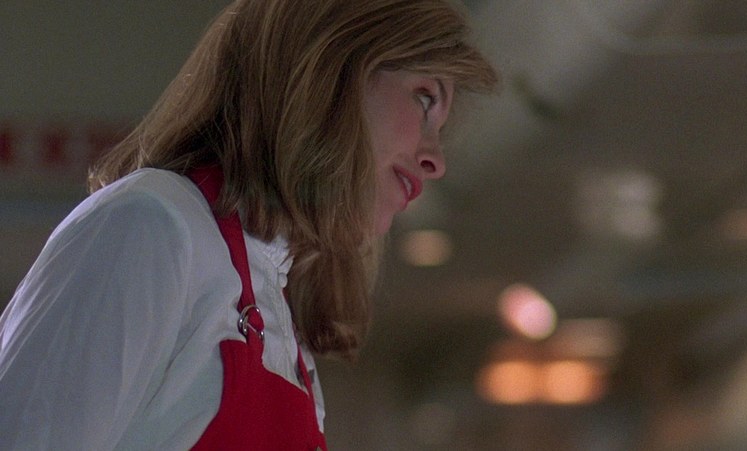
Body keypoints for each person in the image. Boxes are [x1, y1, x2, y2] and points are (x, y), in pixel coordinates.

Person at [0, 0, 497, 449]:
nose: (436, 160)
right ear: (328, 68)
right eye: (424, 99)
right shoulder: (151, 225)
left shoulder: (281, 314)